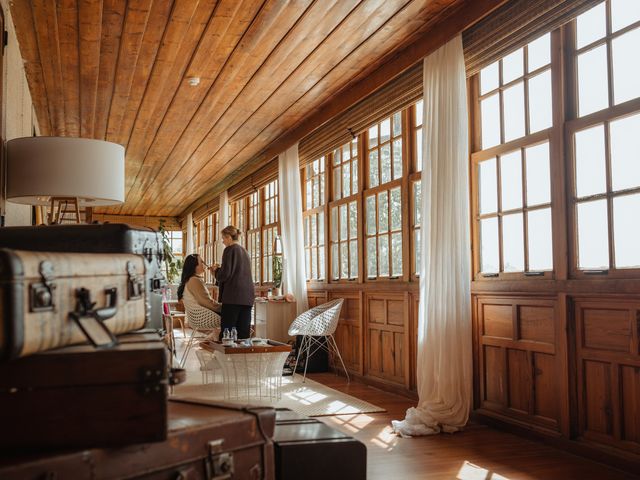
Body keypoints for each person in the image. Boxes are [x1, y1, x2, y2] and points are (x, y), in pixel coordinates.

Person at [212, 225, 255, 340]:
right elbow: (238, 273)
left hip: (233, 297)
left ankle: (224, 358)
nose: (223, 241)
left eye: (223, 238)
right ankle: (242, 357)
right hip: (247, 298)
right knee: (243, 334)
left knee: (227, 332)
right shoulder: (245, 251)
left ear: (229, 237)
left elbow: (225, 275)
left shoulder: (229, 250)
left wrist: (215, 271)